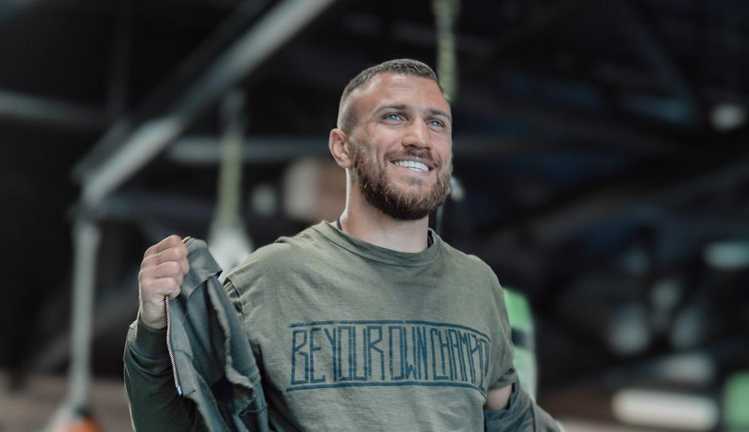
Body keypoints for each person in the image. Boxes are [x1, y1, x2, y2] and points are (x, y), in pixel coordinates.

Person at [125, 59, 558, 431]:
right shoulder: (270, 280)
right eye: (394, 117)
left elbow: (512, 420)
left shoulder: (477, 285)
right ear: (342, 147)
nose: (419, 137)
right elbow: (175, 425)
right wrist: (153, 329)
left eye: (436, 122)